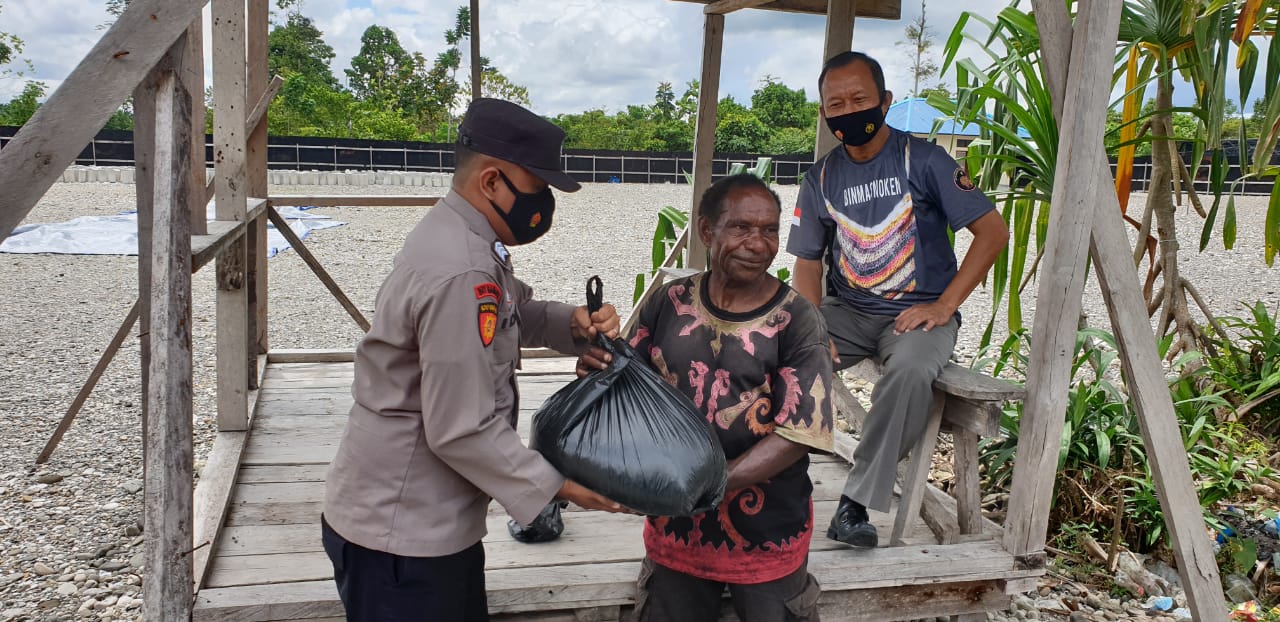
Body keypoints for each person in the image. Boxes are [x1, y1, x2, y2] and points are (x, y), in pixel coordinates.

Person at [321, 98, 627, 622]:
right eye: (538, 186)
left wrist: (570, 323)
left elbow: (510, 313)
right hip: (404, 538)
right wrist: (558, 486)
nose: (545, 202)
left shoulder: (464, 239)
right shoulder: (464, 271)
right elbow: (460, 429)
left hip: (421, 525)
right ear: (491, 182)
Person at [579, 174, 833, 621]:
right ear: (706, 231)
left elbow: (802, 431)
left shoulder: (797, 318)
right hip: (674, 529)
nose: (758, 244)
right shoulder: (669, 302)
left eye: (770, 230)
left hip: (767, 533)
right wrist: (596, 372)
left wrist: (711, 484)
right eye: (741, 228)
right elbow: (629, 381)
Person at [787, 51, 1009, 549]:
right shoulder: (820, 179)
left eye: (860, 99)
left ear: (885, 102)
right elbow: (806, 262)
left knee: (909, 375)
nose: (849, 111)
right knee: (778, 349)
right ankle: (770, 477)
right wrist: (813, 327)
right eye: (836, 104)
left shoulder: (926, 160)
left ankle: (854, 505)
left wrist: (945, 306)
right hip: (847, 311)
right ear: (824, 113)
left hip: (919, 315)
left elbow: (992, 232)